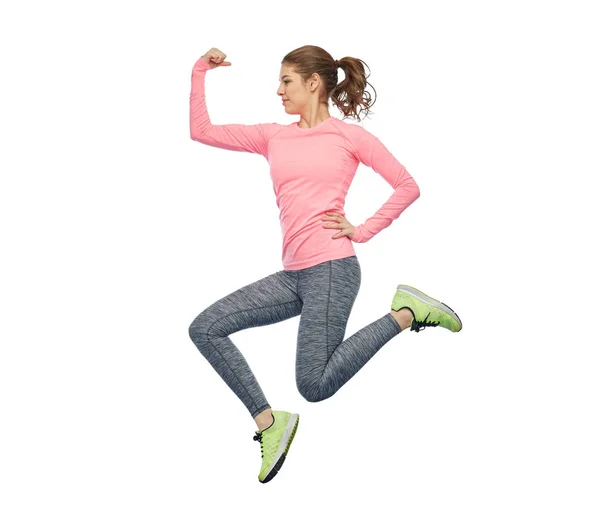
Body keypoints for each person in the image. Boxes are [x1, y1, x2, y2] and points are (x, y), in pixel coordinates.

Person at [188, 45, 462, 483]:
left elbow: (407, 185)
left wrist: (364, 229)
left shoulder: (349, 138)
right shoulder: (272, 135)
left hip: (333, 269)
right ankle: (268, 422)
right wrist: (201, 70)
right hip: (294, 274)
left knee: (314, 385)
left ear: (313, 83)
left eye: (286, 81)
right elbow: (200, 131)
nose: (279, 91)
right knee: (205, 327)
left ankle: (407, 313)